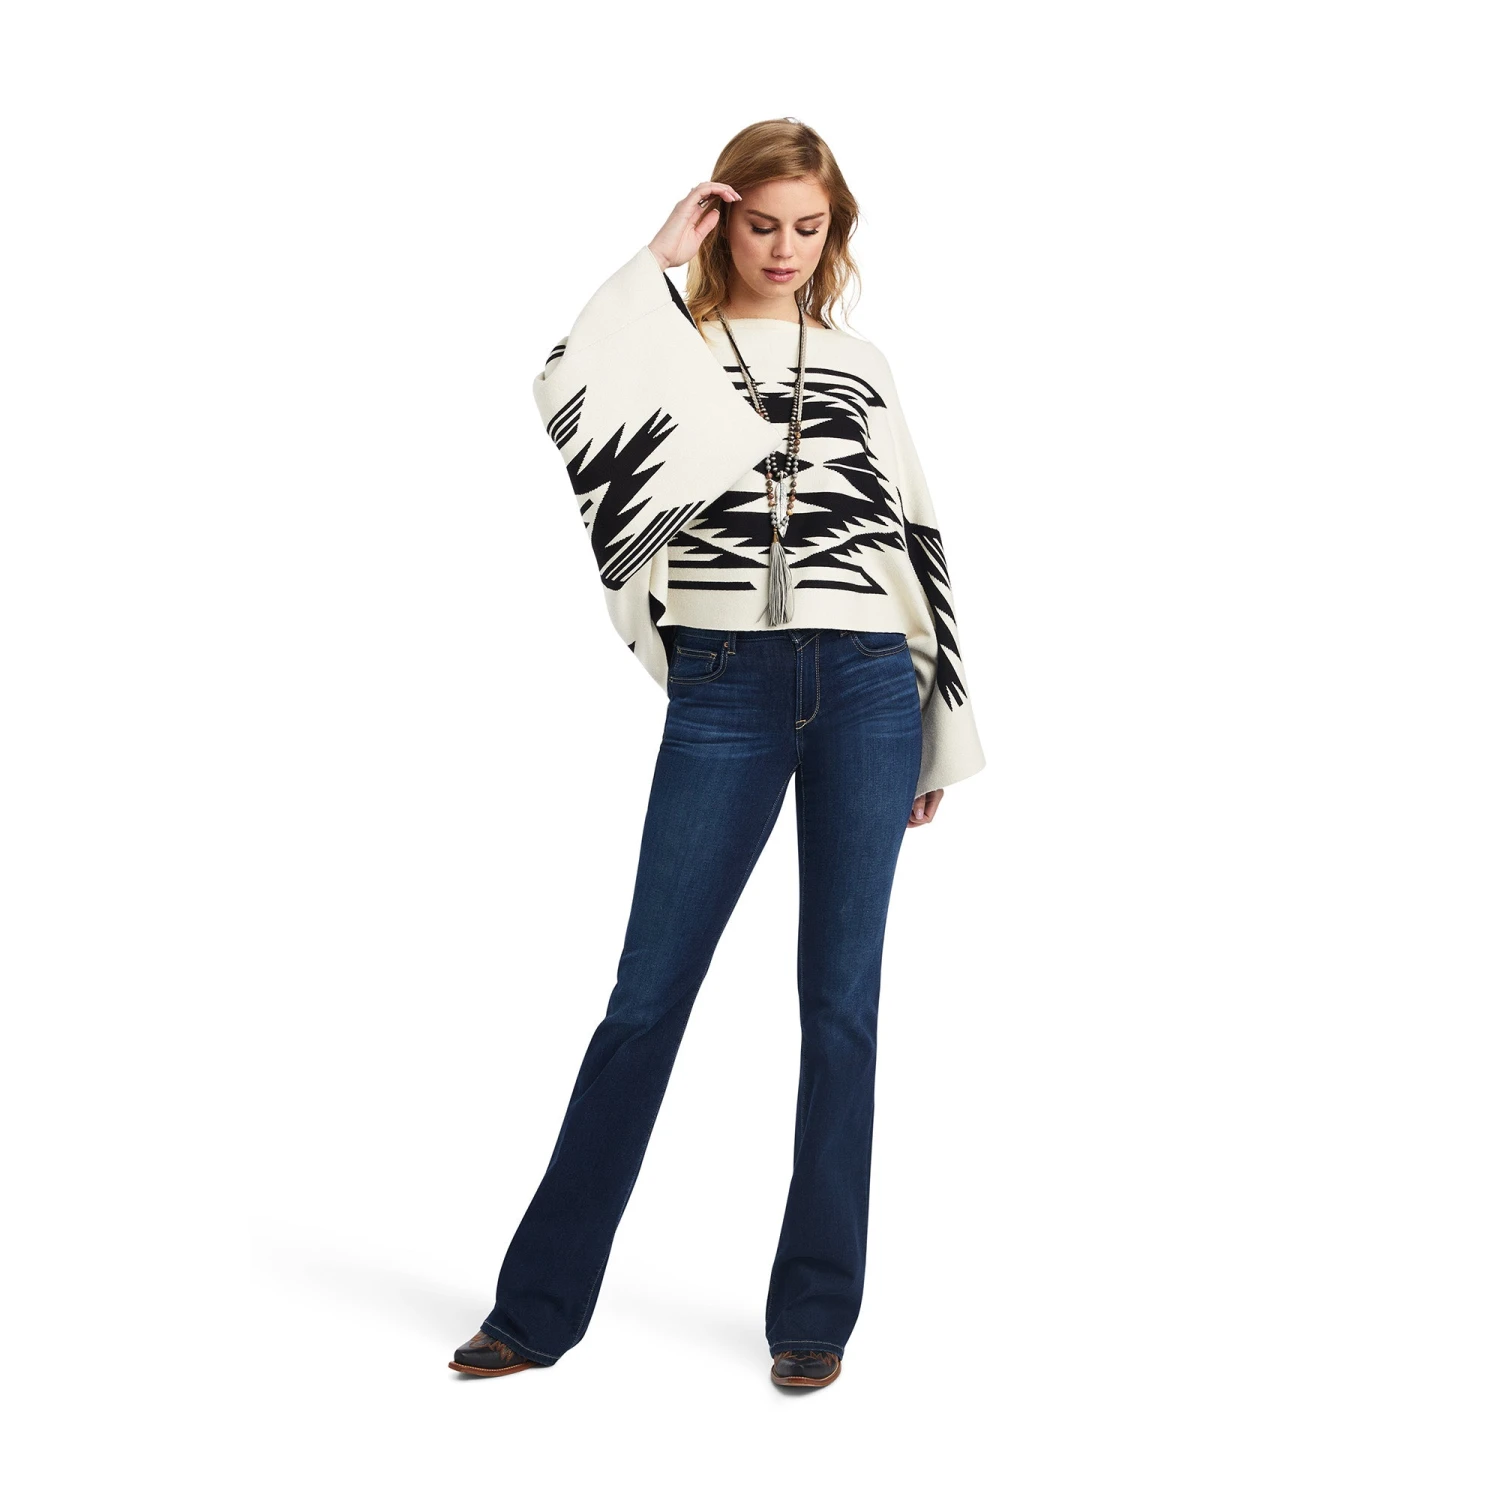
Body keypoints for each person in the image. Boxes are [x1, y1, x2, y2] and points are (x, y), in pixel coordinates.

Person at [450, 118, 985, 1390]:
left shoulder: (862, 365)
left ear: (833, 232)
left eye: (809, 227)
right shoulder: (667, 348)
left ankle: (815, 1315)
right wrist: (654, 256)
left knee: (841, 1007)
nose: (784, 248)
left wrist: (934, 728)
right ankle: (536, 1310)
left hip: (867, 686)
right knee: (646, 999)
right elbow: (563, 385)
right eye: (760, 223)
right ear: (723, 218)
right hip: (727, 687)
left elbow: (913, 540)